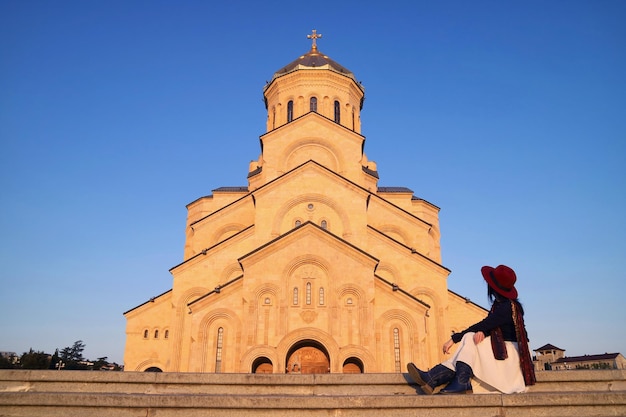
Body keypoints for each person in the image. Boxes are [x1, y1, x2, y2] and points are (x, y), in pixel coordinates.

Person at [407, 264, 536, 394]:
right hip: (504, 349)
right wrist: (483, 332)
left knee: (469, 338)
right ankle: (439, 379)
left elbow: (486, 324)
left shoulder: (506, 307)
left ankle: (442, 379)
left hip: (512, 355)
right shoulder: (502, 305)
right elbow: (493, 326)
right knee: (471, 339)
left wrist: (454, 339)